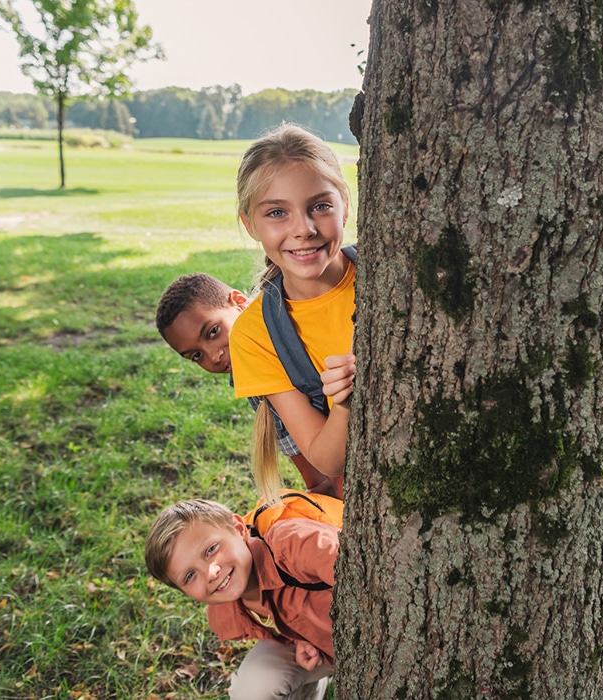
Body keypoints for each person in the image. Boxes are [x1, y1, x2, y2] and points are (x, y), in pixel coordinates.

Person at [228, 125, 357, 497]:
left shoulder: (385, 273)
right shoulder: (256, 334)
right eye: (277, 213)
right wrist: (343, 403)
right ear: (250, 225)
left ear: (344, 207)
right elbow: (327, 462)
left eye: (320, 206)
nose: (304, 229)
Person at [155, 273, 336, 497]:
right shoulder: (252, 382)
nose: (213, 357)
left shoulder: (289, 316)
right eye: (196, 356)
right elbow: (311, 471)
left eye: (213, 332)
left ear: (239, 302)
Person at [144, 499, 337, 700]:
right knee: (251, 690)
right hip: (324, 651)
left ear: (238, 528)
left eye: (211, 550)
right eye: (190, 576)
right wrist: (297, 640)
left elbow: (363, 577)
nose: (210, 572)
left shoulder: (294, 544)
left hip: (367, 638)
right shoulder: (224, 612)